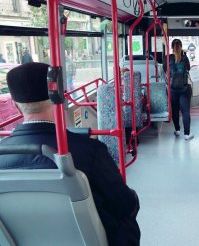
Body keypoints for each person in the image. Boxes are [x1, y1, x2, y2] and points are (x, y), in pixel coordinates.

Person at [0, 62, 140, 246]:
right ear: (60, 98)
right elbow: (124, 203)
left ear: (16, 105)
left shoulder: (3, 155)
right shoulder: (89, 151)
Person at [164, 39, 194, 140]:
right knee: (185, 111)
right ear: (181, 47)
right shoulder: (185, 58)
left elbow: (165, 70)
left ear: (172, 47)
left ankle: (177, 130)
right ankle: (187, 134)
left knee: (175, 110)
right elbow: (188, 69)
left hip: (172, 89)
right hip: (184, 88)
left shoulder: (167, 58)